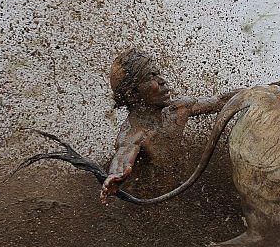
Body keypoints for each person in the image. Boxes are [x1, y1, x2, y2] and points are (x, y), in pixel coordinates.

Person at [100, 47, 240, 203]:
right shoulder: (134, 133)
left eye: (159, 73)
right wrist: (115, 176)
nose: (162, 80)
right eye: (151, 76)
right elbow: (123, 157)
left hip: (183, 192)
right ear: (133, 94)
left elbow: (220, 101)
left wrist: (259, 92)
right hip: (152, 206)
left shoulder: (177, 109)